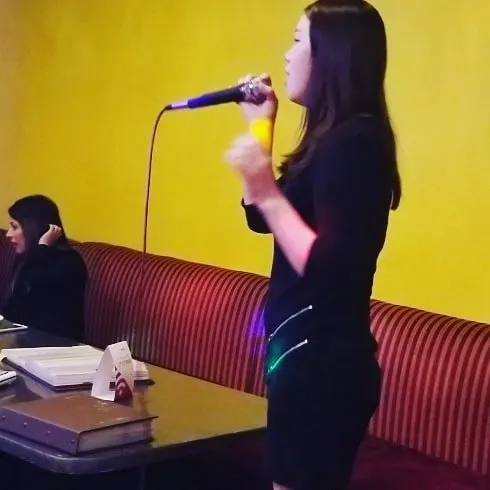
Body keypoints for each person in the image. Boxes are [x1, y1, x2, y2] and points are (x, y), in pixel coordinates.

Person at [224, 1, 402, 489]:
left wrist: (264, 188)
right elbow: (260, 217)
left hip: (324, 368)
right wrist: (261, 126)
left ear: (331, 56)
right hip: (302, 359)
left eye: (298, 40)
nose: (287, 55)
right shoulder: (330, 141)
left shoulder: (356, 144)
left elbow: (328, 267)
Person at [2, 195, 87, 341]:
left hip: (54, 345)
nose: (8, 234)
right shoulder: (28, 258)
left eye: (15, 227)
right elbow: (11, 308)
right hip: (23, 340)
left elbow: (33, 285)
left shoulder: (68, 262)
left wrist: (42, 248)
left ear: (35, 228)